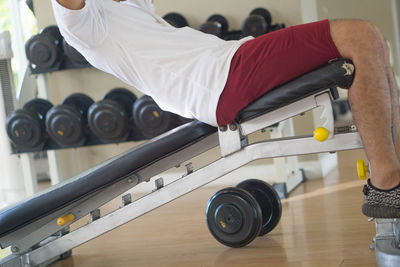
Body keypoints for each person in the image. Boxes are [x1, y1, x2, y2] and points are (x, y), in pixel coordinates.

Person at [52, 0, 400, 218]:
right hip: (219, 80)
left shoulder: (127, 6)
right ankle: (387, 183)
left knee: (372, 40)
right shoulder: (83, 25)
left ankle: (392, 170)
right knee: (359, 34)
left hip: (227, 62)